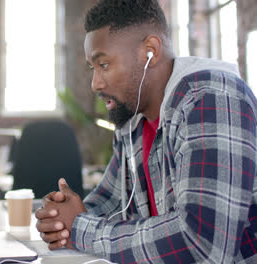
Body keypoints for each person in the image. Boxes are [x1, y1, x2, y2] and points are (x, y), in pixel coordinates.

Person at [36, 0, 257, 263]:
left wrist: (81, 228)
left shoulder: (211, 99)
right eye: (92, 68)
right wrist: (61, 219)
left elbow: (202, 245)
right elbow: (112, 201)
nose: (95, 84)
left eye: (103, 65)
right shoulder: (133, 117)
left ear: (150, 51)